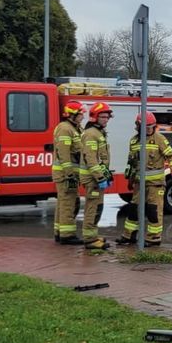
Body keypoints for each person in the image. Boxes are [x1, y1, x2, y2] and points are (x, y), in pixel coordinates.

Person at [118, 113, 172, 246]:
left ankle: (153, 238)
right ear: (138, 126)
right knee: (134, 209)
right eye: (145, 127)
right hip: (139, 183)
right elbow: (132, 163)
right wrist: (130, 180)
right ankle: (129, 236)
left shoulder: (159, 139)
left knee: (154, 210)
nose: (148, 129)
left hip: (155, 184)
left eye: (151, 127)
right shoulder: (134, 141)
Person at [80, 102, 114, 250]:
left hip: (96, 177)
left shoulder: (97, 132)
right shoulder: (91, 134)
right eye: (103, 117)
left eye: (107, 117)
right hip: (93, 179)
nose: (106, 119)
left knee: (97, 207)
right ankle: (90, 239)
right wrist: (100, 178)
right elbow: (91, 158)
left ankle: (93, 236)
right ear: (95, 117)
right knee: (93, 208)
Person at [51, 100, 85, 244]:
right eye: (80, 114)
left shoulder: (75, 128)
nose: (82, 116)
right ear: (72, 115)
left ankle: (60, 232)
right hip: (66, 174)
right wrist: (69, 173)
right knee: (68, 204)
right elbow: (63, 153)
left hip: (68, 173)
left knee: (64, 203)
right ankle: (67, 235)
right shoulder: (65, 129)